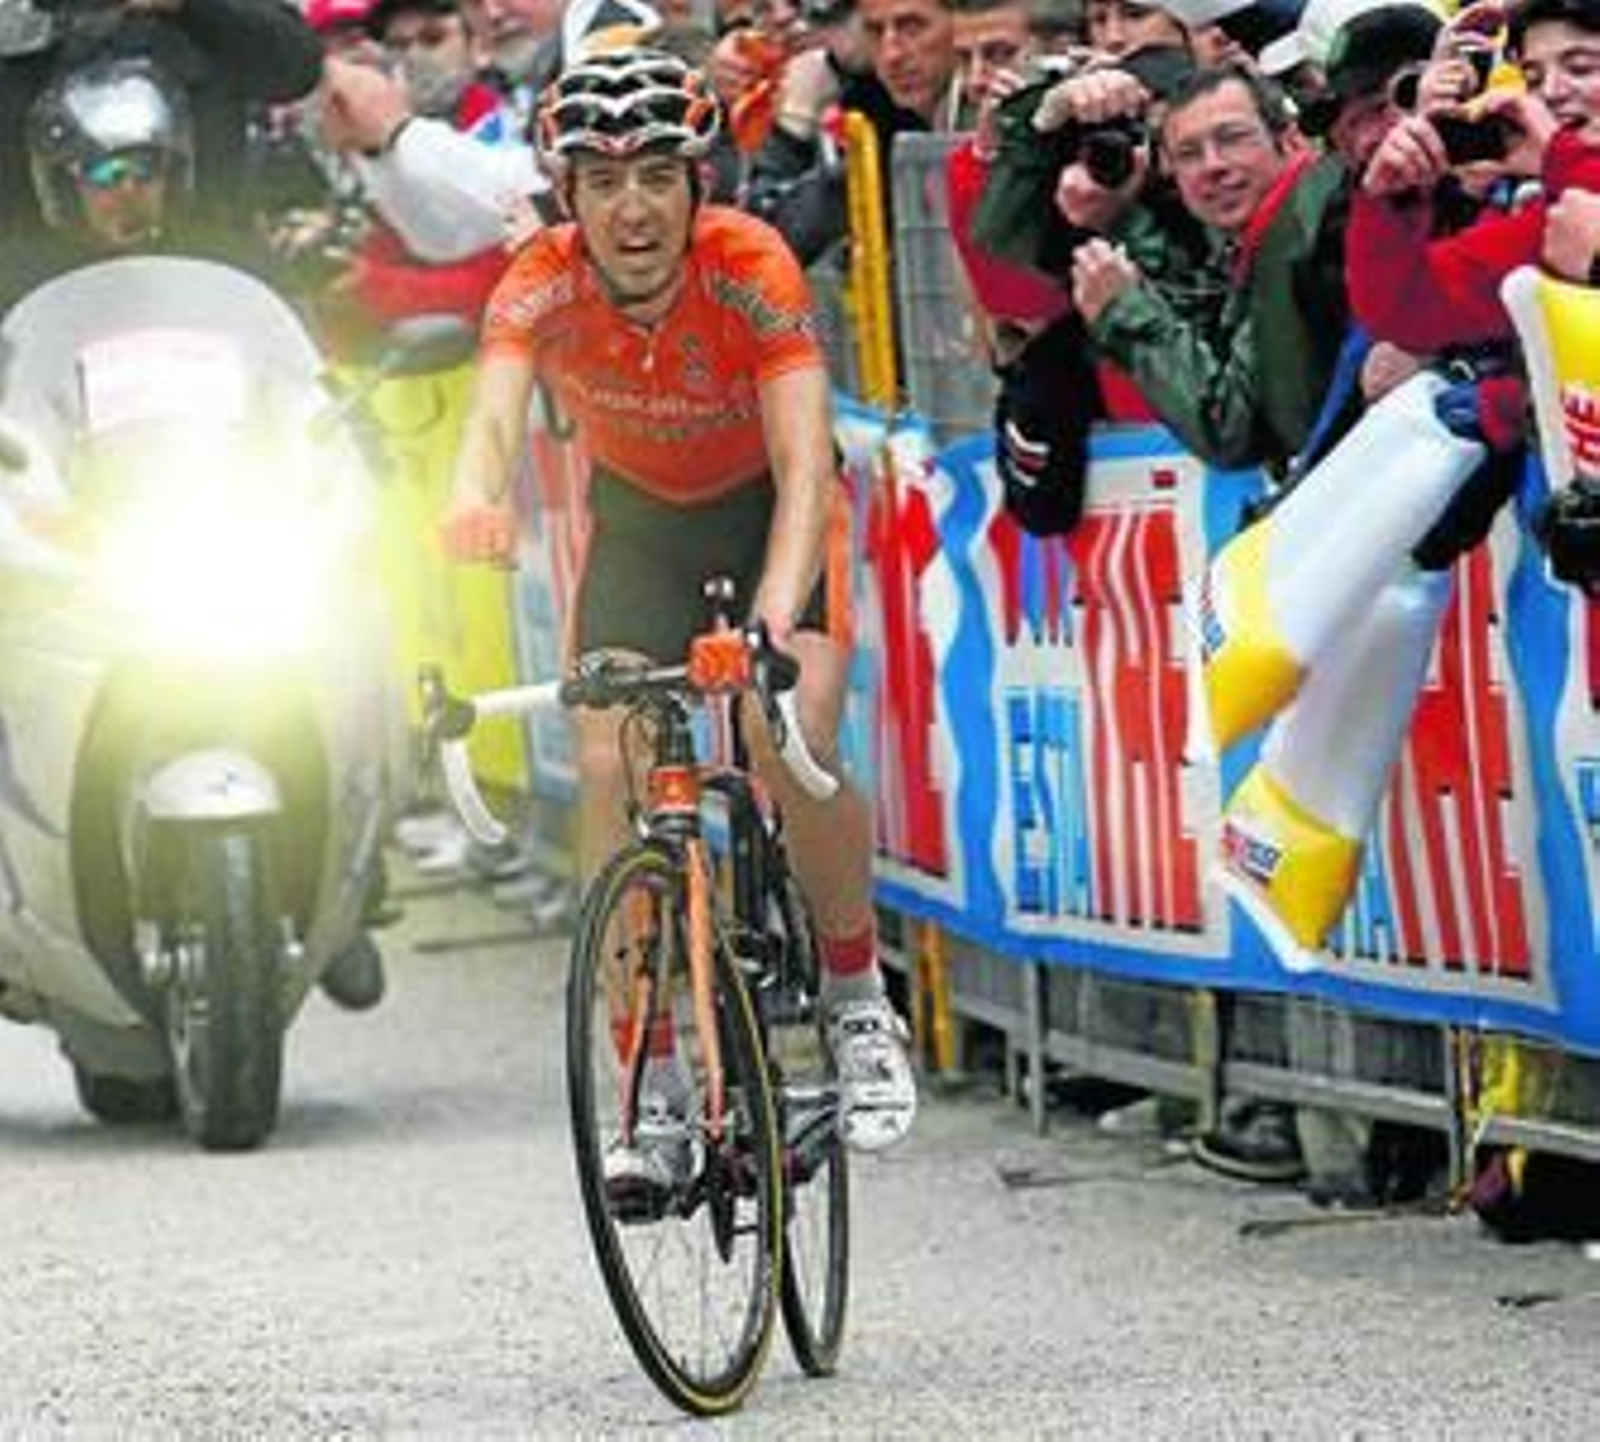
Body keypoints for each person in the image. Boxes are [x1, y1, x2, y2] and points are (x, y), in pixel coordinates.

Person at [440, 47, 918, 1197]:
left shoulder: (748, 264)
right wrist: (473, 495)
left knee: (781, 728)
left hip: (771, 512)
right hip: (643, 523)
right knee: (608, 756)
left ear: (697, 183)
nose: (632, 207)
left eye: (656, 174)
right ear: (569, 198)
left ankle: (855, 997)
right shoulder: (540, 280)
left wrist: (761, 625)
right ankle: (649, 1073)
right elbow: (495, 416)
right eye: (601, 182)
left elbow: (807, 464)